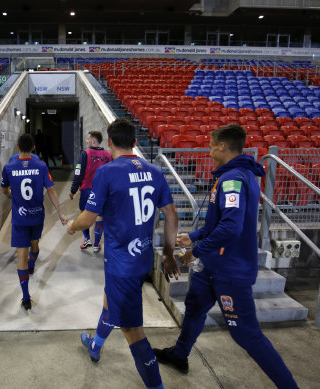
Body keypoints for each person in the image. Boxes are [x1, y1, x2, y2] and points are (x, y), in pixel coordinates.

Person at [153, 124, 299, 389]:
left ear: (222, 146)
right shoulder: (232, 176)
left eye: (211, 146)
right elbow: (216, 223)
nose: (209, 152)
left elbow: (231, 227)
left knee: (246, 334)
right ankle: (179, 354)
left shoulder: (233, 179)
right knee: (195, 308)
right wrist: (194, 237)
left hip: (230, 272)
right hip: (212, 267)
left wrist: (195, 251)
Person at [66, 118, 180, 389]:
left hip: (121, 263)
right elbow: (171, 214)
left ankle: (156, 386)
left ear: (110, 143)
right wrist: (168, 252)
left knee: (132, 330)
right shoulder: (154, 170)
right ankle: (95, 345)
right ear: (136, 142)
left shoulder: (107, 172)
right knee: (110, 301)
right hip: (141, 259)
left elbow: (89, 217)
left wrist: (72, 226)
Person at [2, 134, 68, 310]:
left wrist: (11, 195)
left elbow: (4, 189)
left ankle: (25, 297)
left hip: (19, 218)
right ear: (33, 148)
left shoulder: (9, 167)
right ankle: (32, 266)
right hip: (37, 216)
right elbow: (52, 190)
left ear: (17, 146)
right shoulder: (41, 165)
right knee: (35, 245)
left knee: (20, 257)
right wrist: (61, 213)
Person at [68, 130, 112, 253]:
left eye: (88, 139)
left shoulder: (85, 154)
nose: (86, 141)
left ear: (93, 140)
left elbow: (78, 173)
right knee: (100, 217)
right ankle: (97, 244)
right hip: (103, 191)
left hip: (87, 190)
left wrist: (73, 190)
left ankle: (87, 239)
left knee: (84, 214)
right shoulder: (108, 155)